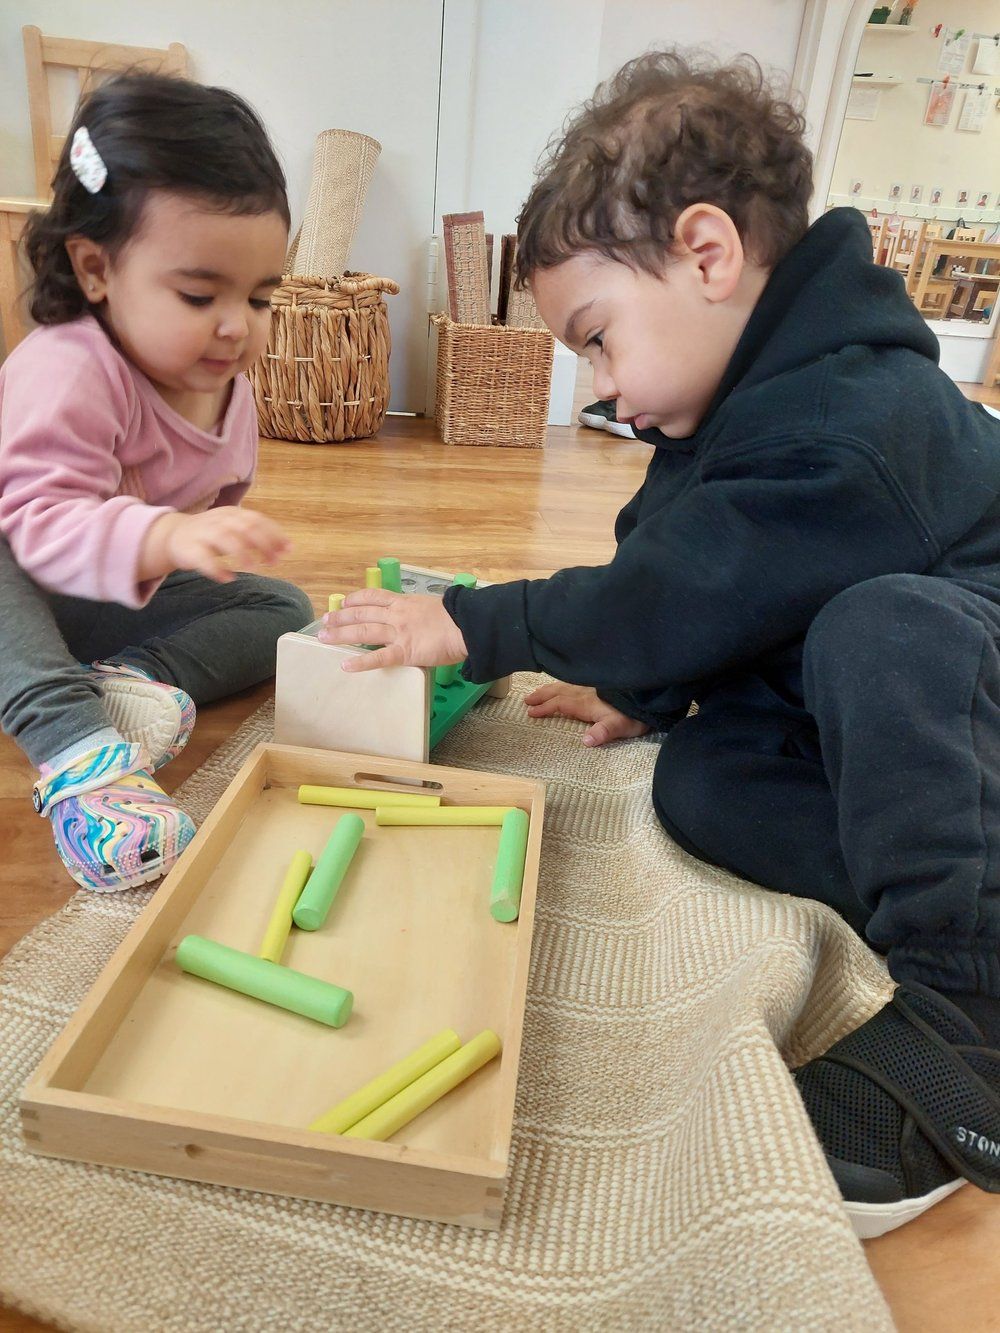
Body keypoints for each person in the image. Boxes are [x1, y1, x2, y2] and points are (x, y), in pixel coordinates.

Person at [320, 50, 1000, 1236]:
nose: (602, 386)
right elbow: (685, 572)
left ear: (707, 253)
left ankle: (967, 1005)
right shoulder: (735, 400)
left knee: (876, 631)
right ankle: (949, 876)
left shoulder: (850, 424)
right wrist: (648, 687)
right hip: (898, 726)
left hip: (958, 680)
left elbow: (683, 585)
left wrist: (471, 625)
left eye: (596, 338)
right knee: (698, 779)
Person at [0, 72, 313, 894]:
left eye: (260, 295)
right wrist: (165, 535)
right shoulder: (67, 369)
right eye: (200, 294)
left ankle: (129, 684)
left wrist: (201, 546)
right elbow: (37, 523)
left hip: (93, 597)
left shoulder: (226, 385)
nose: (237, 324)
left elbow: (201, 515)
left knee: (281, 609)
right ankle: (77, 748)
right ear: (96, 269)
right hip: (16, 587)